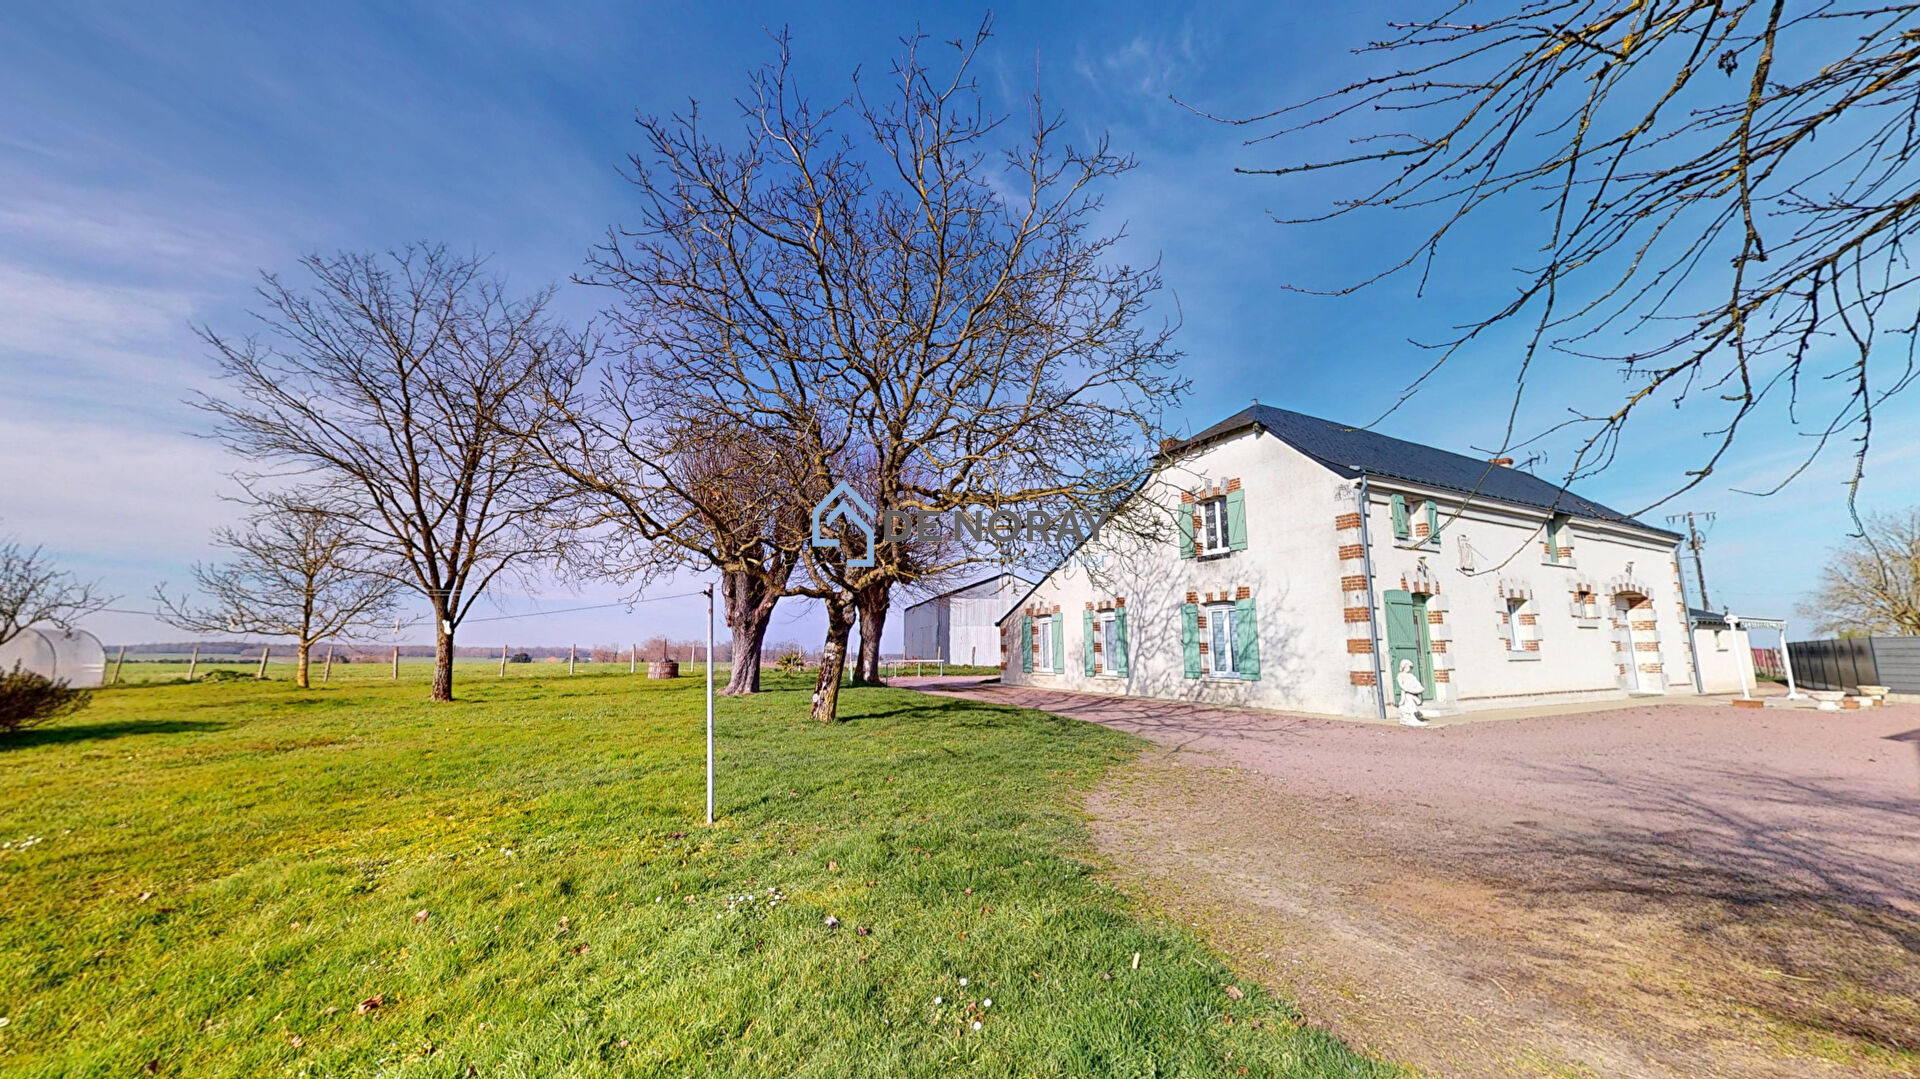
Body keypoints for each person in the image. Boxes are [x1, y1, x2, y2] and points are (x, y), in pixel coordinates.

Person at [1396, 659, 1428, 727]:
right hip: (1406, 693)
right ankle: (1410, 719)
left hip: (1412, 692)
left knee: (1412, 702)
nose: (1409, 668)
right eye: (1407, 666)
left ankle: (1413, 717)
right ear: (1403, 666)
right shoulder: (1400, 675)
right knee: (1409, 700)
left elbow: (1417, 684)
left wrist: (1420, 689)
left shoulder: (1411, 676)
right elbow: (1401, 685)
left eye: (1410, 667)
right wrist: (1408, 689)